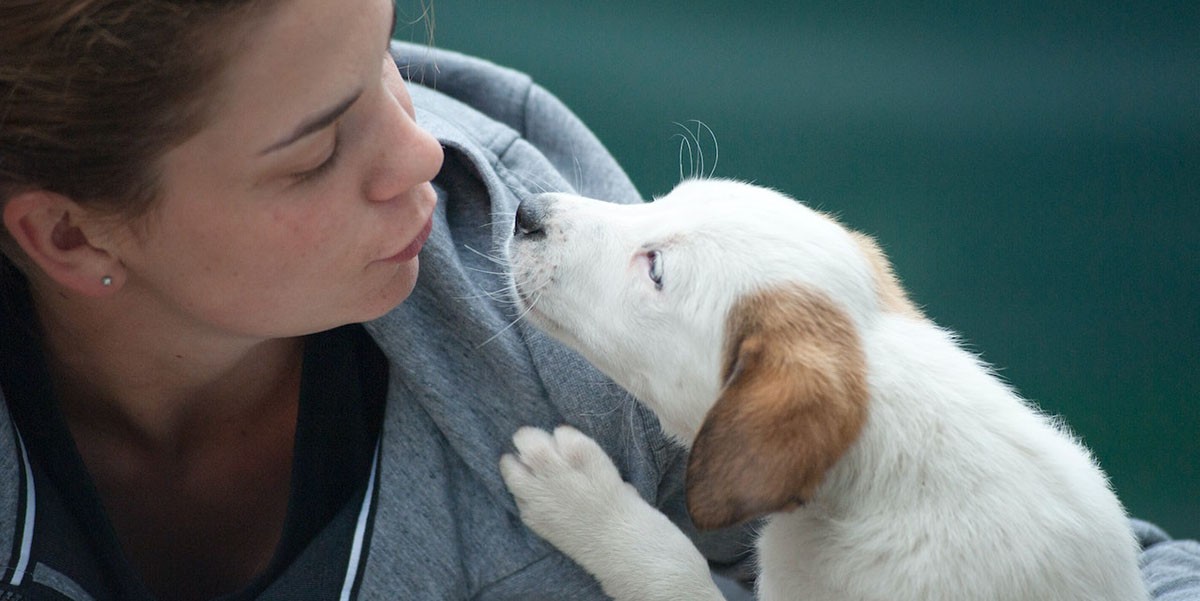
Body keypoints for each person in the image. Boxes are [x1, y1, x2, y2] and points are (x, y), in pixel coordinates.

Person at [0, 1, 1195, 600]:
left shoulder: (576, 358)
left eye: (386, 60)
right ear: (63, 232)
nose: (423, 154)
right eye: (317, 149)